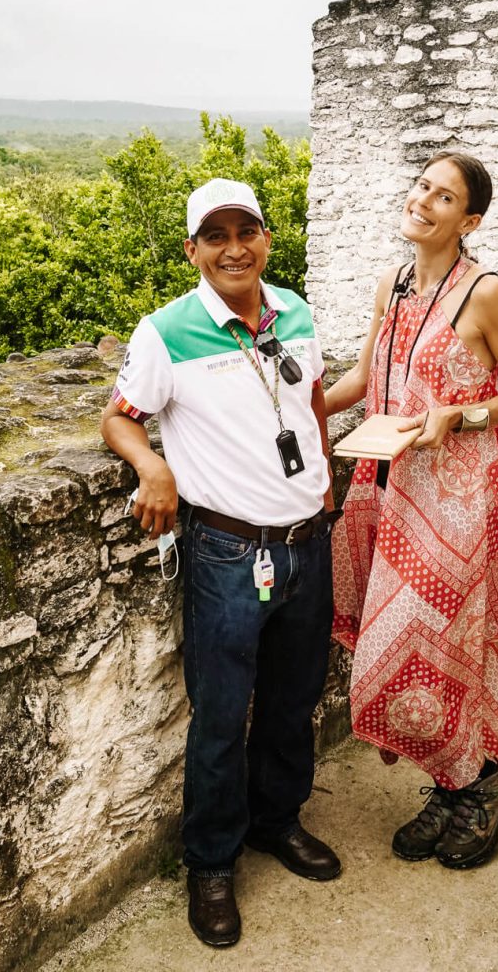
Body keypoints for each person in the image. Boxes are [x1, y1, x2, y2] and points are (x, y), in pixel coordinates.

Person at [101, 178, 340, 949]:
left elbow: (309, 408)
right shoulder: (166, 331)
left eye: (248, 230)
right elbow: (119, 417)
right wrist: (152, 468)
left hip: (306, 540)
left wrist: (326, 491)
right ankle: (210, 863)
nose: (234, 247)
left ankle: (277, 822)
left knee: (292, 699)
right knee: (218, 716)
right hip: (229, 551)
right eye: (216, 235)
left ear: (266, 237)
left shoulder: (293, 310)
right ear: (193, 249)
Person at [325, 150, 498, 869]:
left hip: (458, 500)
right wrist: (300, 403)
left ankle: (479, 786)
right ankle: (461, 783)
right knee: (410, 653)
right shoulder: (393, 283)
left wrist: (458, 416)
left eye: (443, 196)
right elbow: (368, 376)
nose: (423, 201)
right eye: (420, 186)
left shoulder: (484, 293)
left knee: (434, 644)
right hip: (387, 489)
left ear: (469, 220)